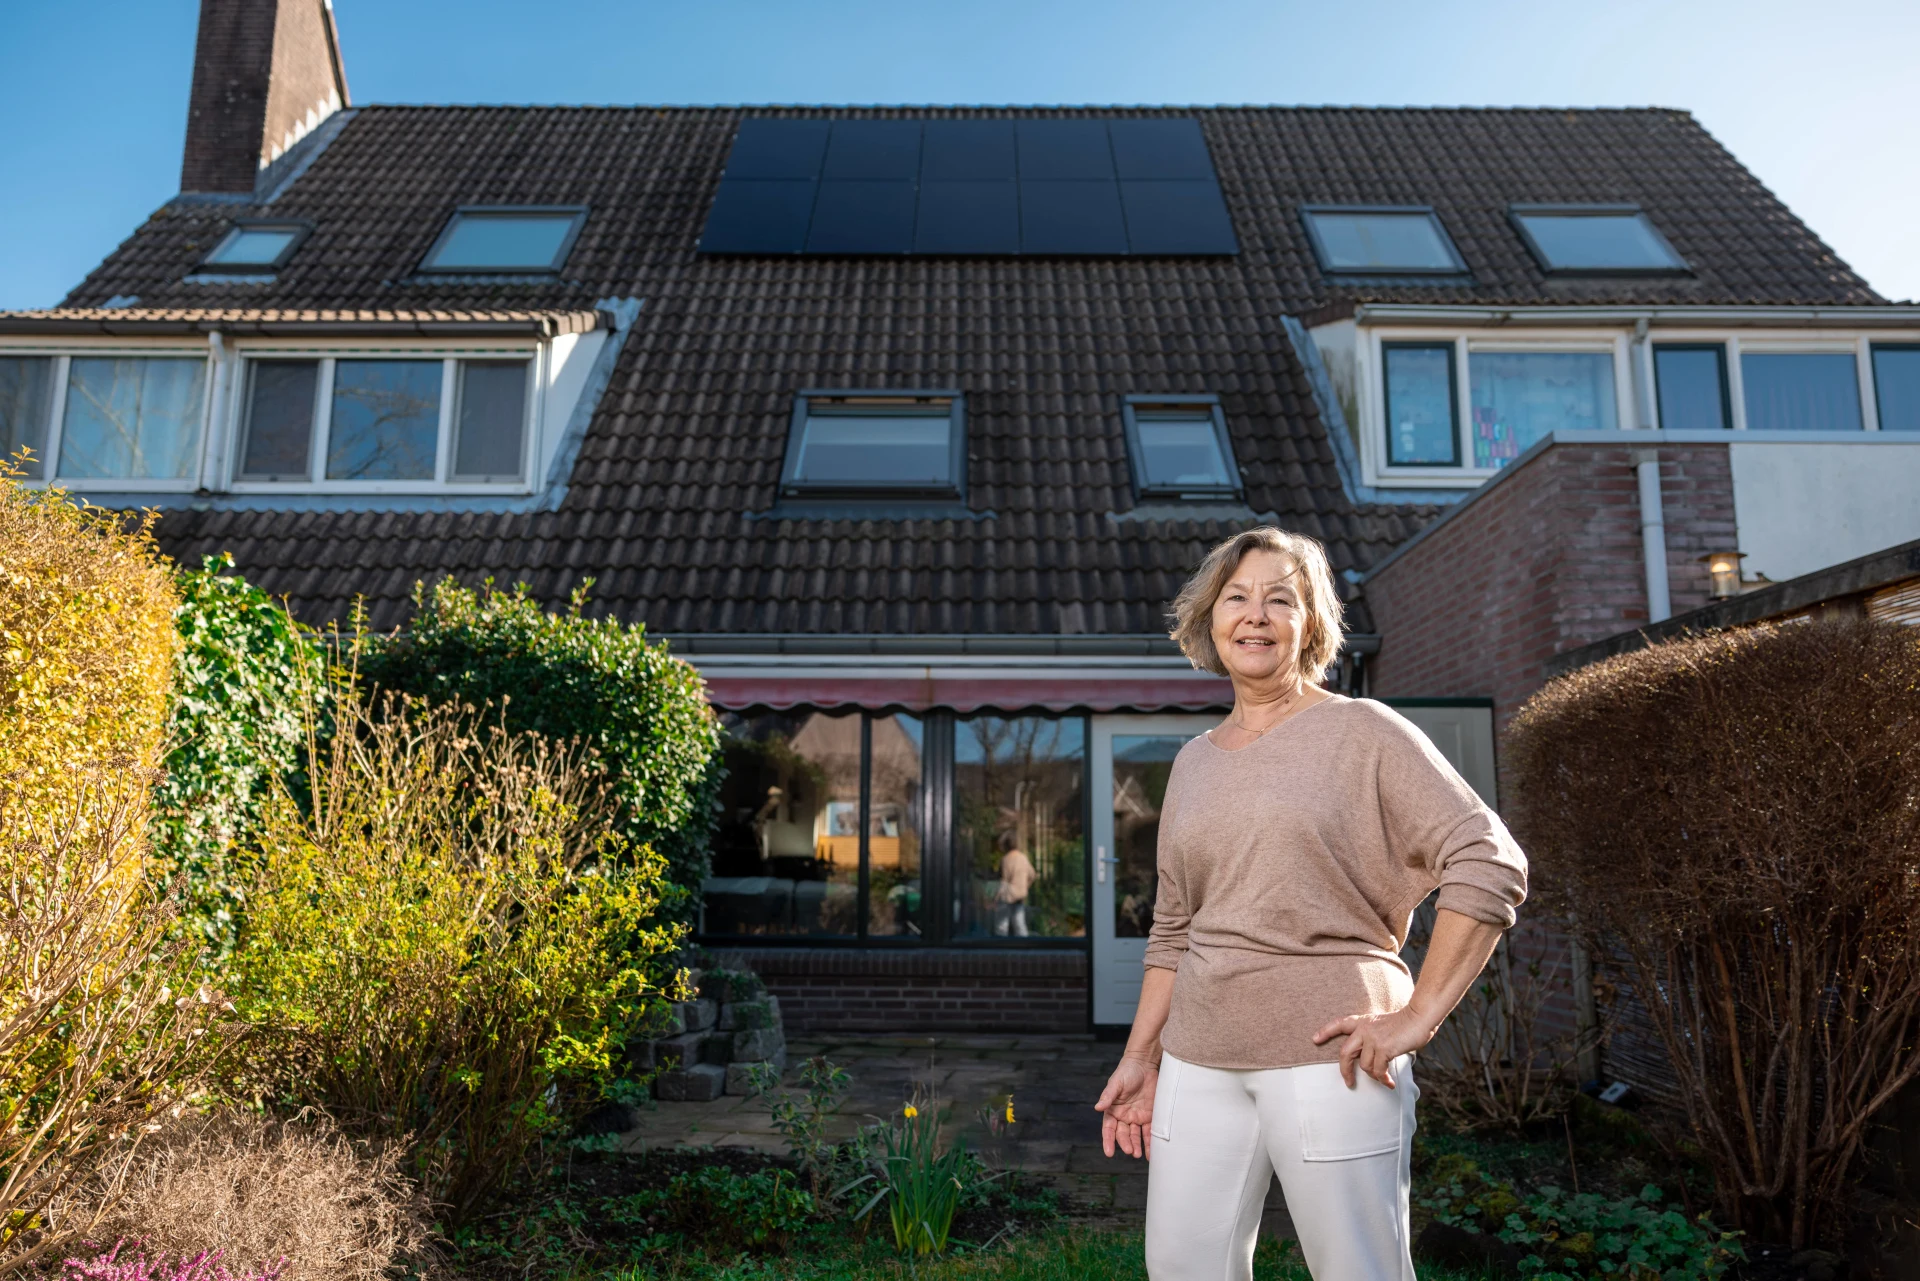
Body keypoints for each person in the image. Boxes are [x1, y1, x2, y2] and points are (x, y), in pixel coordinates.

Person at [1093, 527, 1528, 1281]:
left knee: (1359, 1270)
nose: (1254, 615)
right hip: (1198, 1061)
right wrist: (1140, 1056)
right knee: (1181, 1266)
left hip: (1333, 1063)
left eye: (1279, 599)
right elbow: (1172, 930)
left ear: (1311, 624)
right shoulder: (1192, 763)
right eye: (1236, 597)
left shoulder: (1365, 732)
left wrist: (1417, 1015)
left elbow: (1489, 860)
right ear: (1210, 619)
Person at [993, 830, 1036, 937]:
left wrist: (995, 898)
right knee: (1019, 923)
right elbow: (1032, 875)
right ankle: (1024, 948)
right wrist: (1025, 886)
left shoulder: (1006, 859)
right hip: (1020, 894)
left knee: (1002, 926)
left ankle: (1002, 949)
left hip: (1007, 895)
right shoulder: (1023, 858)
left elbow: (1003, 880)